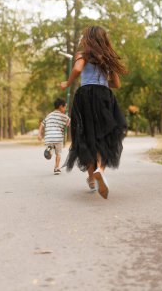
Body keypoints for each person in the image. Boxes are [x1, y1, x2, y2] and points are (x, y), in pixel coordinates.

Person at [60, 26, 127, 198]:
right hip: (104, 96)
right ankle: (100, 170)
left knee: (85, 136)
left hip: (85, 96)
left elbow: (77, 69)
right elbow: (117, 84)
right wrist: (103, 84)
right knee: (105, 136)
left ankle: (91, 177)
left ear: (87, 39)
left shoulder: (82, 55)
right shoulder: (108, 59)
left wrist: (67, 83)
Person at [38, 98, 70, 175]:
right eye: (65, 107)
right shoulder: (64, 116)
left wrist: (39, 134)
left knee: (51, 146)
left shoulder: (49, 115)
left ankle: (50, 149)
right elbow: (69, 124)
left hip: (48, 137)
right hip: (58, 137)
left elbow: (42, 124)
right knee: (58, 153)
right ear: (60, 107)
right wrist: (68, 119)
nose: (65, 109)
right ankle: (56, 168)